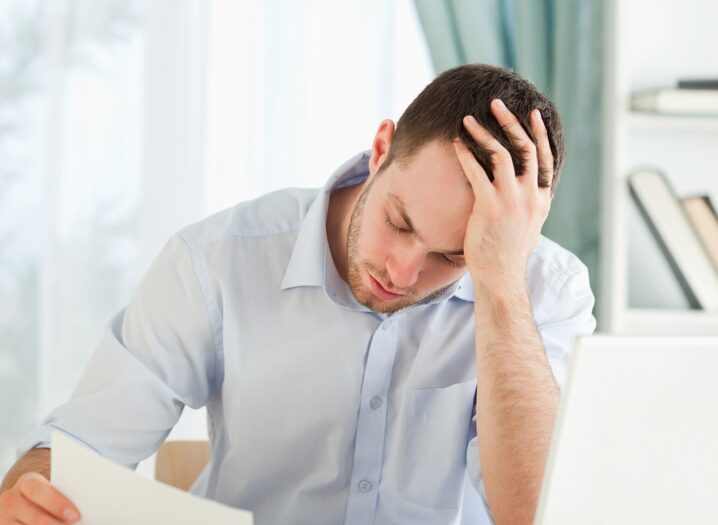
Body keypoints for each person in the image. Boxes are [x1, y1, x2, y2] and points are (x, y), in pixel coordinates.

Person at [0, 64, 595, 525]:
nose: (402, 270)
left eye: (451, 255)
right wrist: (33, 493)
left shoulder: (547, 294)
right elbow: (78, 447)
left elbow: (537, 515)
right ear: (381, 149)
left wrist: (499, 285)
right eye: (399, 221)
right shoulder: (216, 262)